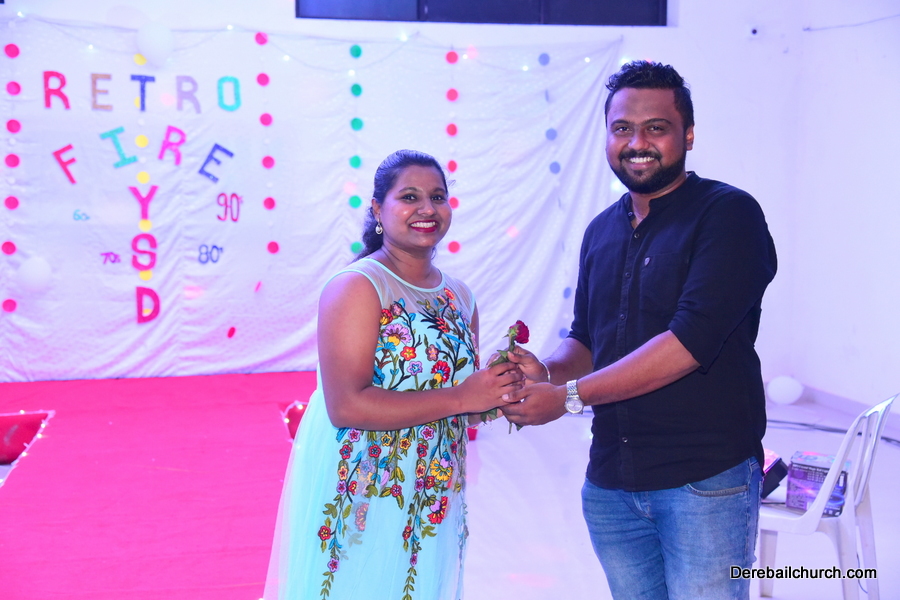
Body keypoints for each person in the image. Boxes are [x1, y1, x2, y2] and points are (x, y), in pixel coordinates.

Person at [502, 61, 777, 600]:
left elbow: (688, 343)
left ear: (688, 135)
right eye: (622, 128)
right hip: (612, 486)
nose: (637, 143)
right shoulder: (600, 230)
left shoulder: (728, 215)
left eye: (656, 127)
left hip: (704, 481)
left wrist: (568, 397)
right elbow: (588, 338)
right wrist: (546, 370)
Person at [263, 149, 521, 599]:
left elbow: (464, 409)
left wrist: (504, 391)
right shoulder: (359, 286)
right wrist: (464, 397)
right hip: (366, 490)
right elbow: (347, 406)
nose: (427, 208)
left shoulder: (460, 296)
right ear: (378, 209)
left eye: (437, 197)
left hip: (433, 495)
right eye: (410, 197)